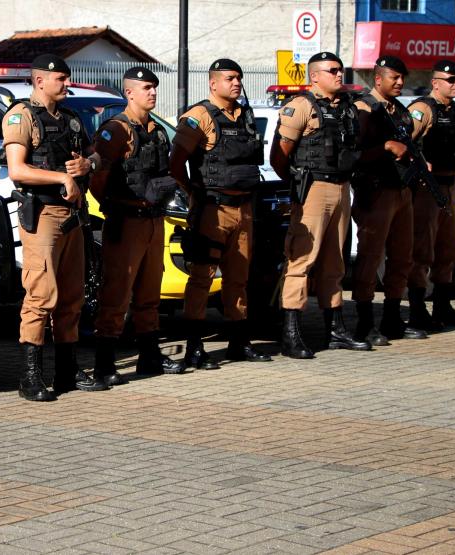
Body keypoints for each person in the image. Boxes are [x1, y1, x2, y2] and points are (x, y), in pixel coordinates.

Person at [2, 54, 108, 401]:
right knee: (40, 295)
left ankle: (67, 371)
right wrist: (62, 176)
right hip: (43, 214)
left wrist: (85, 163)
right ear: (39, 81)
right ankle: (30, 376)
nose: (66, 84)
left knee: (72, 296)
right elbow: (17, 169)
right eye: (60, 79)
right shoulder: (21, 116)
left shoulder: (72, 119)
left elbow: (97, 157)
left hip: (73, 215)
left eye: (67, 78)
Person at [169, 58, 271, 369]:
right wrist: (192, 194)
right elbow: (175, 163)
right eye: (230, 78)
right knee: (201, 278)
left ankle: (238, 342)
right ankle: (194, 348)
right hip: (212, 210)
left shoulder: (244, 115)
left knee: (239, 280)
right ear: (213, 84)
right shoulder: (199, 116)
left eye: (239, 78)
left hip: (243, 210)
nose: (237, 83)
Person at [270, 51, 371, 358]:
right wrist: (298, 183)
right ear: (314, 76)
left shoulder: (348, 109)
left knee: (334, 262)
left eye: (340, 70)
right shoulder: (301, 106)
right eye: (332, 71)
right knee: (302, 260)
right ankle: (291, 333)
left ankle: (335, 329)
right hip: (313, 189)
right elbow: (279, 155)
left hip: (341, 188)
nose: (339, 75)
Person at [89, 67, 184, 384]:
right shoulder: (116, 130)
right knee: (117, 293)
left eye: (154, 87)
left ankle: (150, 357)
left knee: (149, 294)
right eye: (146, 87)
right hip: (126, 221)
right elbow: (97, 179)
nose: (153, 92)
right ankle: (104, 364)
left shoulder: (156, 130)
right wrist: (116, 207)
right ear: (129, 93)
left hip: (155, 220)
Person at [351, 55, 427, 345]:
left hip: (402, 191)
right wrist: (385, 147)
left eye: (402, 77)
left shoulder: (399, 110)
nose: (400, 82)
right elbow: (355, 155)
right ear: (378, 78)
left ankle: (393, 318)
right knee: (371, 257)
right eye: (394, 77)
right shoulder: (364, 109)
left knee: (402, 257)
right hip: (377, 191)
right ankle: (365, 323)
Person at [406, 60, 455, 330]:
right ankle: (417, 308)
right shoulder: (423, 109)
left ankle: (443, 307)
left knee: (449, 250)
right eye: (451, 79)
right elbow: (404, 143)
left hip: (450, 185)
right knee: (422, 249)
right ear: (436, 82)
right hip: (426, 188)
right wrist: (419, 163)